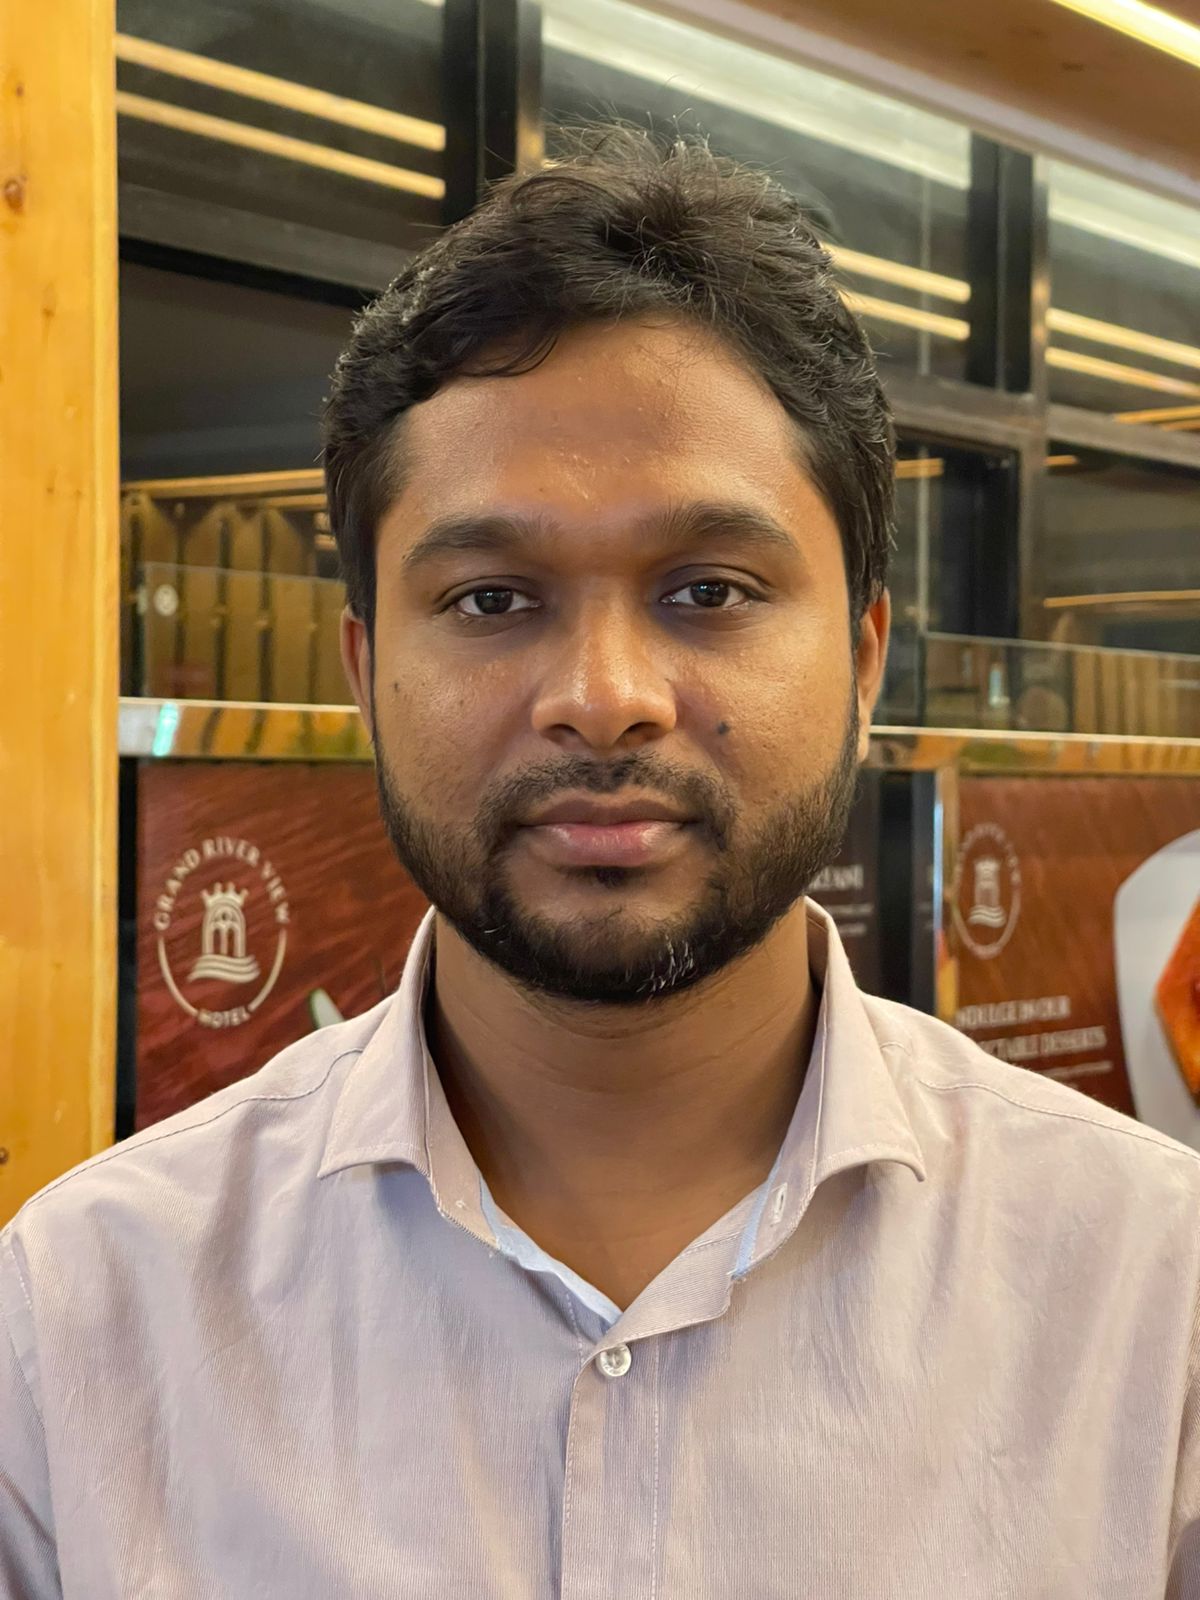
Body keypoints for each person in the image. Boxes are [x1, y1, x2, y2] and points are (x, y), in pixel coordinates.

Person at [2, 127, 1198, 1599]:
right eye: (491, 599)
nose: (603, 696)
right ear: (365, 673)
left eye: (710, 589)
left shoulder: (1152, 1295)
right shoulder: (88, 1315)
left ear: (865, 658)